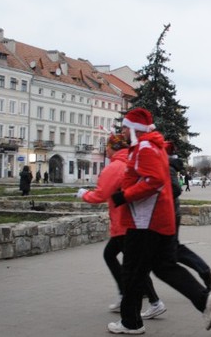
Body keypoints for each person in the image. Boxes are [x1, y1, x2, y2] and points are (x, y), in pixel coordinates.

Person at [108, 108, 211, 335]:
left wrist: (124, 195)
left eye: (125, 128)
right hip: (158, 220)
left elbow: (155, 180)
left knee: (132, 273)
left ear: (134, 129)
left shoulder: (145, 148)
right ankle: (203, 299)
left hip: (144, 222)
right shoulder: (153, 147)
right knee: (163, 267)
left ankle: (131, 323)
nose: (122, 131)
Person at [79, 134, 166, 318]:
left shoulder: (115, 167)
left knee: (133, 267)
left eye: (107, 147)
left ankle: (149, 302)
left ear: (113, 148)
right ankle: (135, 297)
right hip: (133, 221)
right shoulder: (130, 160)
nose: (106, 151)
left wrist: (83, 194)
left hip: (123, 223)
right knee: (120, 259)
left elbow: (100, 195)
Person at [166, 140, 211, 291]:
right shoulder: (168, 165)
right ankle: (203, 271)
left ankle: (201, 280)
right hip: (171, 213)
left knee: (169, 253)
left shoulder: (167, 167)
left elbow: (175, 189)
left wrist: (161, 196)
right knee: (173, 249)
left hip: (169, 214)